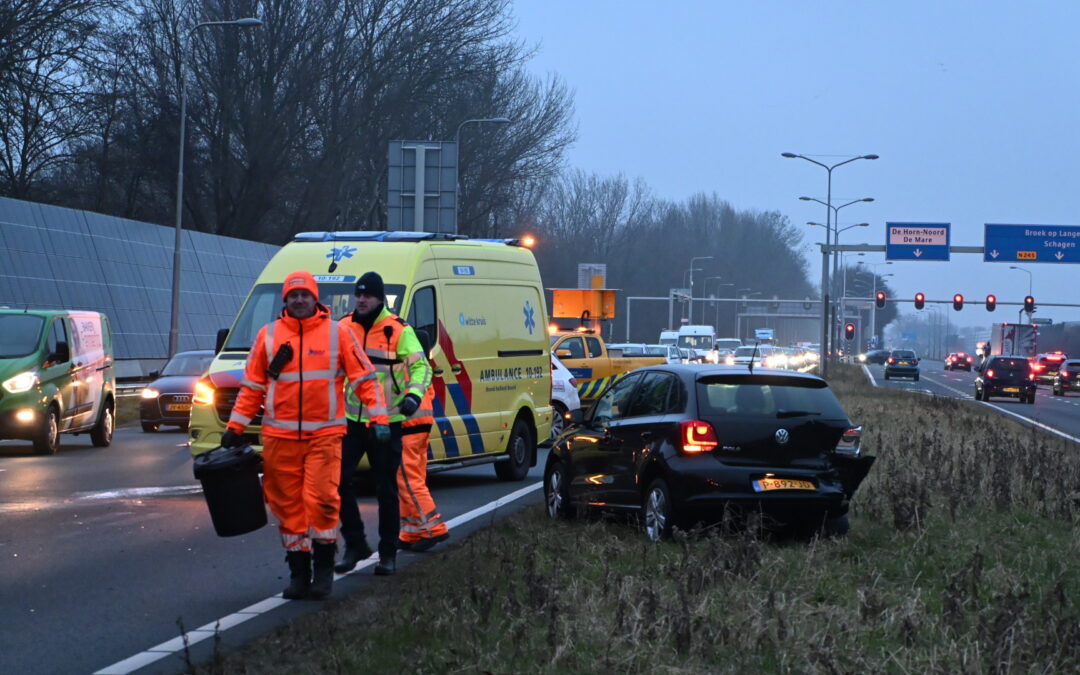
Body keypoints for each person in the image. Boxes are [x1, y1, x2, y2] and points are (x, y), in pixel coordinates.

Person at [221, 270, 388, 600]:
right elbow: (252, 387)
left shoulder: (336, 334)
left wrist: (379, 417)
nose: (299, 300)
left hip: (324, 437)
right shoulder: (267, 336)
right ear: (286, 300)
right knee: (287, 507)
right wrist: (234, 427)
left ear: (316, 299)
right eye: (293, 295)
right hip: (279, 439)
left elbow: (365, 379)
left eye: (305, 295)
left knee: (323, 501)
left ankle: (323, 570)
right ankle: (299, 572)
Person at [336, 271, 433, 576]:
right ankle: (355, 543)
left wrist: (414, 396)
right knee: (336, 482)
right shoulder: (342, 327)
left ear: (380, 298)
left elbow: (421, 367)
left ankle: (387, 553)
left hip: (387, 420)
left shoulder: (398, 330)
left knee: (386, 489)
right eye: (359, 294)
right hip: (351, 420)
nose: (362, 299)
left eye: (368, 295)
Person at [397, 384, 450, 552]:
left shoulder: (393, 361)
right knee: (414, 478)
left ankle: (434, 528)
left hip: (406, 422)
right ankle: (410, 532)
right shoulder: (418, 360)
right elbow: (431, 391)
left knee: (407, 481)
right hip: (423, 420)